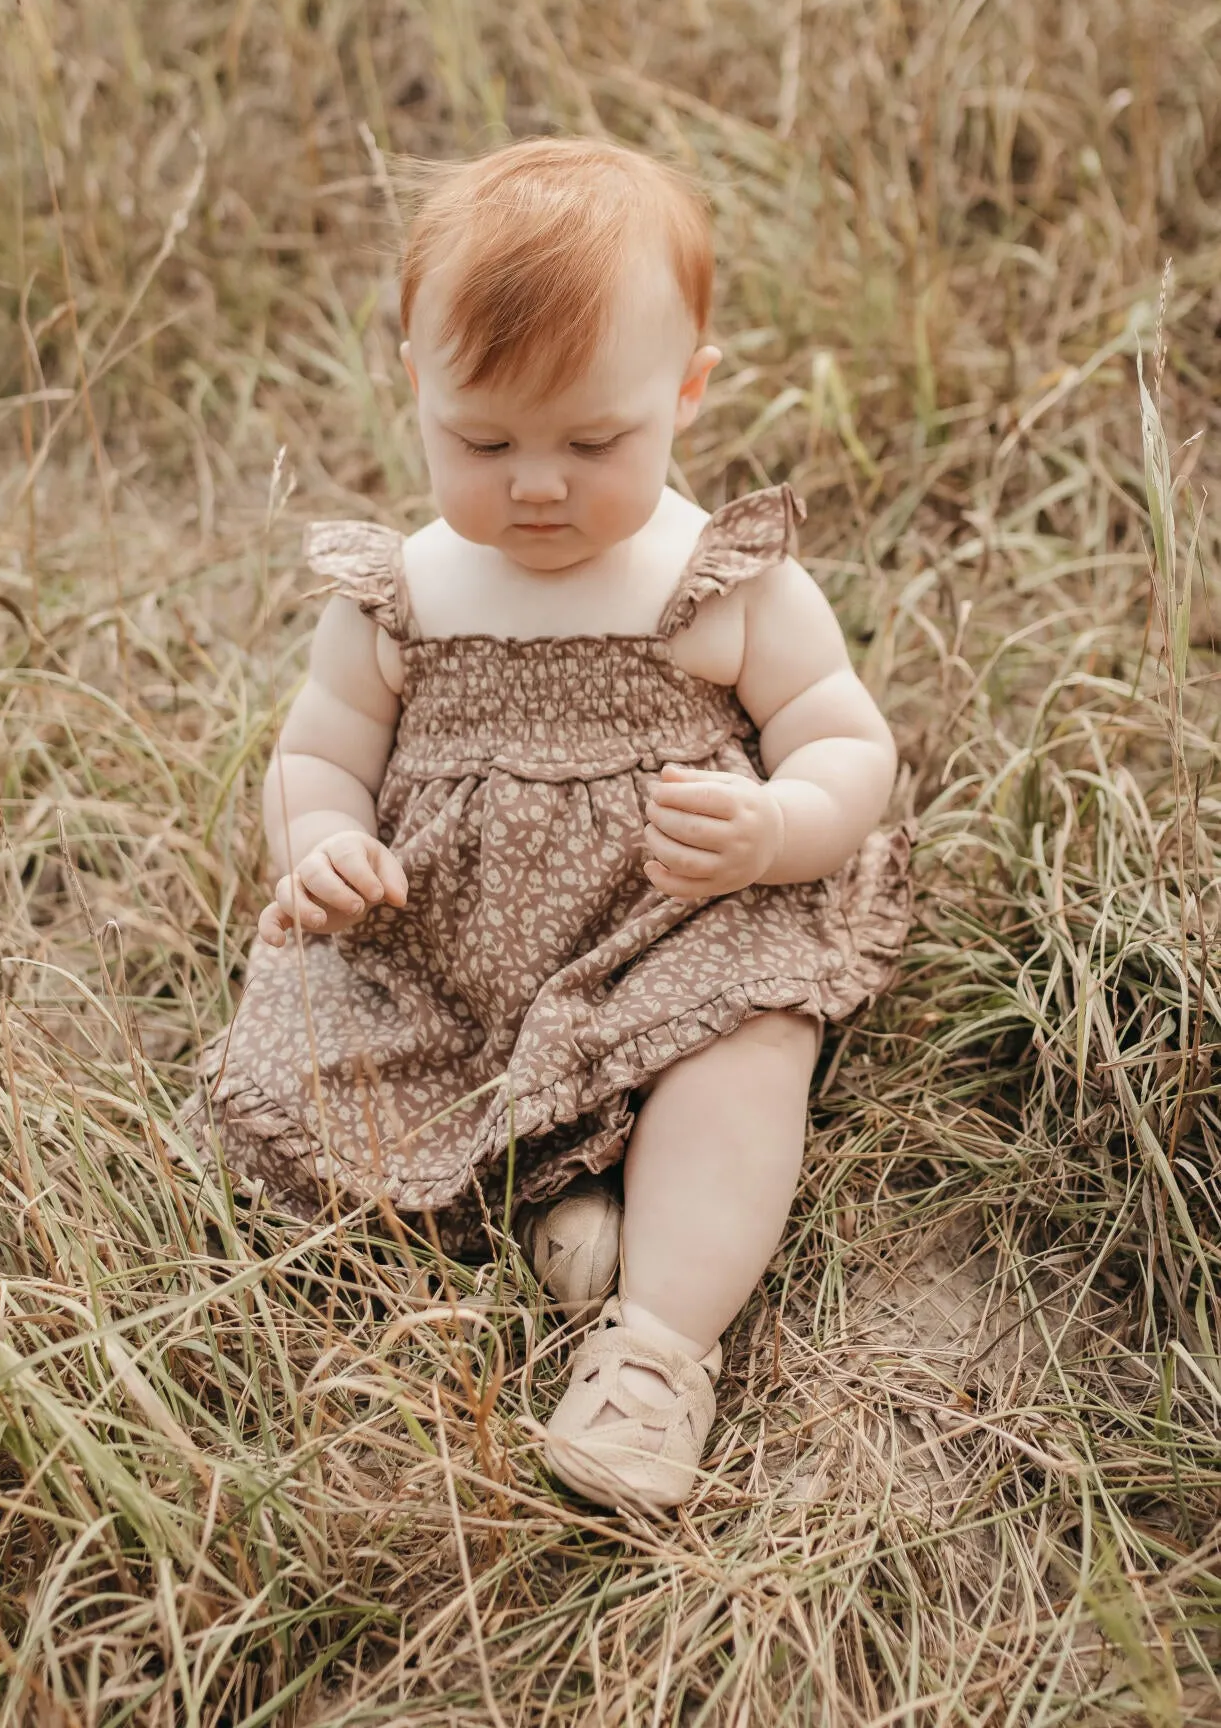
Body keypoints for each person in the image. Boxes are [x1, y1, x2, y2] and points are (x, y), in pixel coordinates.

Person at [176, 136, 912, 1513]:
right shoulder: (401, 591)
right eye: (483, 438)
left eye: (594, 441)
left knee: (748, 1046)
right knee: (303, 1064)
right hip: (450, 950)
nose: (536, 486)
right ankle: (557, 1211)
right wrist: (322, 844)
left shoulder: (719, 581)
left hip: (673, 925)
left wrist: (776, 828)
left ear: (686, 392)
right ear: (416, 384)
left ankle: (655, 1355)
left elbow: (844, 738)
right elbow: (318, 753)